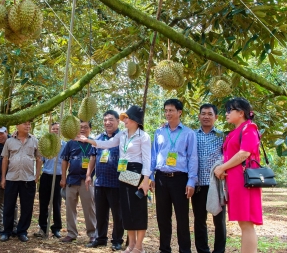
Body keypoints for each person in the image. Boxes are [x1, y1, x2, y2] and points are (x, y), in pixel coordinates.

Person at [77, 106, 150, 253]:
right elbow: (107, 144)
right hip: (123, 173)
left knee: (138, 209)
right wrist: (88, 140)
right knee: (127, 209)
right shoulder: (122, 135)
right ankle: (131, 246)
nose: (124, 121)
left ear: (135, 120)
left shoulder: (144, 136)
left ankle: (139, 246)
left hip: (137, 172)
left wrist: (146, 180)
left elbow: (148, 160)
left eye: (126, 118)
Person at [214, 98, 262, 253]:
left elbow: (244, 154)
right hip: (235, 183)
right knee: (243, 223)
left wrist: (222, 168)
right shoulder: (237, 130)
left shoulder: (249, 128)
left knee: (247, 223)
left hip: (245, 182)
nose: (226, 114)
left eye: (229, 110)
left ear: (241, 113)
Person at [150, 99, 198, 253]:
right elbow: (154, 155)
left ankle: (185, 250)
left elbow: (192, 158)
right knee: (162, 218)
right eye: (166, 110)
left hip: (180, 179)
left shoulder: (188, 133)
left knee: (182, 218)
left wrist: (191, 181)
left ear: (179, 112)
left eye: (171, 110)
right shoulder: (159, 132)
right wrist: (151, 176)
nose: (168, 113)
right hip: (161, 178)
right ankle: (164, 249)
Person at [85, 110, 124, 251]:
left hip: (117, 182)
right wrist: (89, 175)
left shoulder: (122, 137)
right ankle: (100, 238)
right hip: (100, 182)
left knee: (118, 214)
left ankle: (117, 240)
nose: (108, 122)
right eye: (105, 119)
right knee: (101, 214)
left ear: (118, 121)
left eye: (111, 119)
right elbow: (93, 157)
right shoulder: (98, 138)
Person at [0, 121, 42, 243]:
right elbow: (5, 159)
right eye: (25, 124)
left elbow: (39, 158)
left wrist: (37, 175)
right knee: (8, 206)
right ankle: (6, 231)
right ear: (17, 126)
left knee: (27, 207)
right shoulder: (9, 141)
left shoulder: (35, 140)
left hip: (28, 179)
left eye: (29, 124)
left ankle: (22, 231)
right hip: (11, 178)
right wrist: (3, 177)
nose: (28, 126)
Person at [192, 104, 226, 253]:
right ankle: (202, 250)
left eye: (210, 114)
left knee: (219, 221)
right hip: (198, 185)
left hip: (217, 185)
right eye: (203, 114)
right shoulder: (192, 135)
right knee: (199, 221)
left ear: (216, 117)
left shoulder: (222, 136)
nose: (206, 116)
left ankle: (219, 251)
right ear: (199, 116)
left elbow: (227, 157)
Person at [60, 120, 97, 244]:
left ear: (90, 129)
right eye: (80, 127)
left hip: (86, 181)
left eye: (85, 127)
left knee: (89, 207)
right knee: (70, 207)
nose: (82, 129)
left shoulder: (93, 143)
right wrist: (63, 178)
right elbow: (64, 160)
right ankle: (71, 233)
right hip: (71, 179)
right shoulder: (70, 143)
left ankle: (92, 233)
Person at [34, 122, 65, 239]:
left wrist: (64, 178)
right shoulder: (45, 144)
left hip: (58, 177)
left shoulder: (65, 145)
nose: (56, 130)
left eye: (58, 129)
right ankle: (42, 227)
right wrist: (37, 176)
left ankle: (56, 228)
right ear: (50, 130)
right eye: (53, 129)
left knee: (56, 203)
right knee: (43, 203)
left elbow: (67, 162)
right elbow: (40, 160)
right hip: (46, 176)